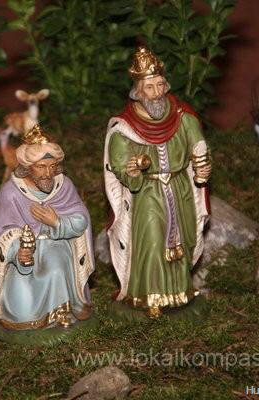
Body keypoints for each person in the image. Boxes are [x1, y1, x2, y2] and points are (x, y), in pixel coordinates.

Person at [103, 47, 212, 318]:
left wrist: (202, 165)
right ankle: (149, 296)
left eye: (160, 85)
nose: (157, 93)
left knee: (183, 240)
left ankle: (181, 292)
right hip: (148, 192)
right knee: (153, 241)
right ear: (138, 92)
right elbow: (119, 163)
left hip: (179, 187)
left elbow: (198, 146)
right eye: (149, 87)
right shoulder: (125, 127)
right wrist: (132, 171)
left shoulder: (183, 117)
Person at [0, 125, 94, 333]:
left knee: (56, 268)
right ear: (27, 166)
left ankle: (62, 311)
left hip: (57, 244)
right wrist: (19, 251)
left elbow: (81, 220)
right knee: (21, 310)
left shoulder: (64, 187)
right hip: (24, 258)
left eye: (53, 166)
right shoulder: (11, 193)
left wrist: (57, 222)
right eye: (41, 166)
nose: (48, 173)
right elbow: (4, 233)